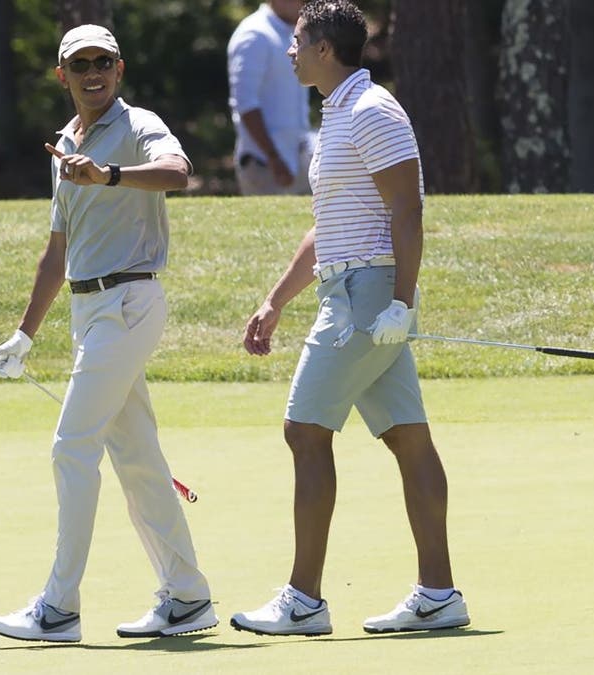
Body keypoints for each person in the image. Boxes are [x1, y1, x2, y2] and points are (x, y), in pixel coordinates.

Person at [230, 0, 469, 636]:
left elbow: (407, 212)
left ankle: (303, 600)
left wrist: (402, 302)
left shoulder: (372, 110)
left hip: (369, 297)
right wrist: (275, 301)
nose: (290, 49)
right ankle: (439, 594)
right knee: (407, 438)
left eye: (299, 40)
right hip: (349, 290)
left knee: (304, 431)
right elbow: (328, 224)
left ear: (325, 50)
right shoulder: (337, 114)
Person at [0, 25, 217, 643]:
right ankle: (188, 596)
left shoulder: (138, 124)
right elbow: (56, 251)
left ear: (119, 69)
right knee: (137, 458)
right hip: (91, 313)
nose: (93, 73)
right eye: (80, 64)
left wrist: (109, 174)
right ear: (63, 75)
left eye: (103, 62)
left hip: (130, 302)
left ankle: (58, 608)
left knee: (71, 447)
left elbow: (177, 171)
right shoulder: (64, 145)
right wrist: (24, 336)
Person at [227, 0, 314, 195]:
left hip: (297, 157)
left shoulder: (294, 32)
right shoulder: (254, 34)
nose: (305, 4)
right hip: (265, 165)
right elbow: (245, 105)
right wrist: (273, 157)